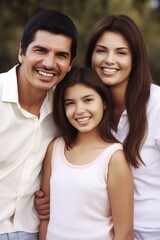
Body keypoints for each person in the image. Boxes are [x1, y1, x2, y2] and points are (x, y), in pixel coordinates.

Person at [0, 9, 77, 240]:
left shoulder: (67, 110)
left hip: (31, 230)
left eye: (61, 55)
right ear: (22, 53)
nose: (49, 63)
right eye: (40, 50)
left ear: (70, 64)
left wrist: (54, 196)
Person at [84, 14, 160, 240]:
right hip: (108, 232)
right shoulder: (86, 109)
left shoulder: (156, 104)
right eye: (101, 50)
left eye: (121, 52)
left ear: (134, 59)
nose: (109, 60)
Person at [38, 66, 134, 240]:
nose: (80, 110)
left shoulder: (114, 158)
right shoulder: (55, 148)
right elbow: (45, 216)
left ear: (104, 102)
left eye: (88, 100)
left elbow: (124, 233)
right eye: (70, 103)